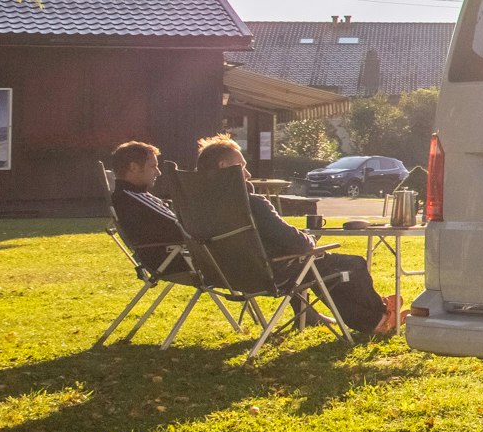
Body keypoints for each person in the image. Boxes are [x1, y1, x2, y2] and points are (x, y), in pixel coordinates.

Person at [194, 135, 397, 335]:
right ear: (223, 166)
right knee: (352, 264)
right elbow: (299, 244)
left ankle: (366, 317)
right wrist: (310, 239)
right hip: (271, 274)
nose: (247, 174)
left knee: (316, 269)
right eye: (242, 166)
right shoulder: (251, 204)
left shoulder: (198, 207)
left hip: (225, 275)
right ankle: (378, 318)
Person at [108, 139, 189, 275]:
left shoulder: (129, 196)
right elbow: (181, 227)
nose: (158, 172)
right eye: (153, 166)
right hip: (177, 261)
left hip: (169, 258)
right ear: (133, 168)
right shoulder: (133, 198)